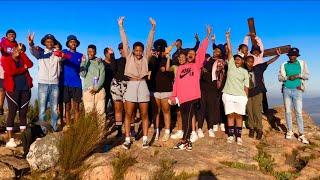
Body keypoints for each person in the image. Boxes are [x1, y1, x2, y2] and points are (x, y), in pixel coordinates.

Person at [169, 25, 211, 151]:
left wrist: (207, 36)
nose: (191, 55)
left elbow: (202, 50)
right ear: (186, 56)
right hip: (181, 98)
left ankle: (183, 141)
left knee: (188, 119)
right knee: (185, 118)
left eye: (193, 54)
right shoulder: (181, 68)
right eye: (189, 54)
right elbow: (176, 83)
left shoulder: (197, 66)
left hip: (192, 97)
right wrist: (173, 96)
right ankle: (188, 143)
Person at [118, 16, 156, 149]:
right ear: (133, 50)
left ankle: (145, 139)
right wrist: (121, 26)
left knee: (144, 114)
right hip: (131, 85)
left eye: (140, 50)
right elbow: (125, 41)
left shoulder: (146, 57)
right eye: (136, 50)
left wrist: (153, 28)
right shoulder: (128, 56)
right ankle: (127, 139)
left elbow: (149, 43)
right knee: (129, 114)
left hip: (143, 85)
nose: (139, 52)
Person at [28, 33, 66, 132]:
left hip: (54, 84)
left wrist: (60, 53)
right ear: (45, 43)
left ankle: (53, 129)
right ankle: (43, 130)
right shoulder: (40, 53)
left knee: (54, 109)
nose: (49, 43)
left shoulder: (57, 53)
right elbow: (32, 51)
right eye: (47, 41)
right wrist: (31, 43)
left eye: (51, 41)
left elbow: (66, 57)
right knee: (42, 110)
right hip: (42, 84)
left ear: (54, 43)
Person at [245, 49, 281, 140]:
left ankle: (259, 129)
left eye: (252, 62)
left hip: (257, 92)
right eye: (248, 62)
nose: (250, 63)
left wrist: (277, 56)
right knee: (249, 111)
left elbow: (269, 62)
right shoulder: (243, 70)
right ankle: (252, 128)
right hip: (247, 94)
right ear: (245, 62)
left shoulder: (258, 67)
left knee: (257, 111)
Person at [2, 43, 33, 147]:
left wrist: (22, 53)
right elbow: (10, 72)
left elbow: (30, 64)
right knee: (12, 112)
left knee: (23, 114)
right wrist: (23, 69)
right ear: (12, 49)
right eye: (16, 49)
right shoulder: (5, 59)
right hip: (12, 90)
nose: (17, 51)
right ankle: (10, 139)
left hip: (25, 89)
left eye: (20, 50)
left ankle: (24, 139)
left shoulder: (22, 58)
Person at [222, 29, 249, 145]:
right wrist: (228, 37)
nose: (237, 60)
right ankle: (231, 135)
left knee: (239, 116)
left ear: (242, 61)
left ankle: (238, 136)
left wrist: (246, 98)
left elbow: (246, 86)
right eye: (236, 58)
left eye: (239, 59)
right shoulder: (231, 65)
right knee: (230, 115)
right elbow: (230, 51)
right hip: (228, 94)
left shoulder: (244, 72)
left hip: (240, 96)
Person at [197, 34, 227, 138]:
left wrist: (207, 70)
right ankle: (199, 128)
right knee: (202, 108)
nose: (215, 52)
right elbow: (200, 66)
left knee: (210, 108)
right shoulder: (208, 59)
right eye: (215, 51)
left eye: (218, 51)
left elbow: (218, 71)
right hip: (203, 86)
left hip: (212, 87)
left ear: (221, 54)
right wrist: (202, 69)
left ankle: (210, 128)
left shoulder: (221, 62)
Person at [278, 47, 309, 144]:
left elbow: (307, 76)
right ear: (289, 56)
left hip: (297, 90)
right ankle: (290, 131)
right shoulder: (284, 65)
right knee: (288, 111)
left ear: (297, 56)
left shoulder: (302, 63)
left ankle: (301, 134)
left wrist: (297, 76)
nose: (292, 57)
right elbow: (279, 78)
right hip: (286, 89)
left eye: (294, 55)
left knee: (299, 113)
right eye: (291, 55)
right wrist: (287, 77)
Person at [149, 39, 174, 141]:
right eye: (157, 49)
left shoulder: (169, 60)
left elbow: (171, 74)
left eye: (161, 49)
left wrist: (168, 58)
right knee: (155, 112)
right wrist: (151, 56)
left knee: (166, 111)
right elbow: (148, 68)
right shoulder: (152, 60)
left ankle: (167, 131)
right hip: (154, 90)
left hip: (166, 90)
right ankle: (156, 130)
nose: (159, 52)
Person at [62, 35, 84, 126]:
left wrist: (99, 60)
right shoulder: (64, 52)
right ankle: (68, 126)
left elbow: (84, 67)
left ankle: (76, 126)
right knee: (67, 107)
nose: (73, 43)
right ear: (68, 44)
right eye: (71, 41)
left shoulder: (80, 55)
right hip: (65, 83)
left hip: (77, 84)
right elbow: (57, 54)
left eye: (74, 41)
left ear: (77, 44)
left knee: (77, 107)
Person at [80, 45, 106, 115]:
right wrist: (83, 62)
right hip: (88, 90)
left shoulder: (99, 62)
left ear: (95, 52)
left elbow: (102, 76)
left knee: (101, 113)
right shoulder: (85, 62)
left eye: (92, 51)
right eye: (89, 51)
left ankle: (101, 126)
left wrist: (97, 87)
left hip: (99, 90)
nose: (90, 53)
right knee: (89, 113)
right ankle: (90, 126)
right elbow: (82, 74)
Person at [0, 29, 18, 115]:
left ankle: (13, 107)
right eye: (10, 34)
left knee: (12, 89)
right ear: (7, 36)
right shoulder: (3, 42)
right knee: (2, 89)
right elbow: (2, 48)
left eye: (13, 34)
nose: (12, 35)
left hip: (13, 69)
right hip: (4, 68)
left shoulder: (16, 44)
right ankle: (0, 107)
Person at [103, 47, 115, 116]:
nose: (112, 55)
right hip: (105, 87)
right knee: (103, 106)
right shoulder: (101, 63)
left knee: (115, 106)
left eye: (112, 53)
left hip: (114, 88)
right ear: (105, 54)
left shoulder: (114, 63)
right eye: (110, 53)